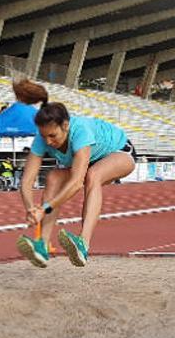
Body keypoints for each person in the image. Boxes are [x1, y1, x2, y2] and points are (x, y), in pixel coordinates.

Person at [13, 79, 136, 268]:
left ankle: (83, 244)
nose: (49, 142)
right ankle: (42, 245)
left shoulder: (80, 131)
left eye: (53, 136)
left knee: (92, 176)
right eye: (44, 137)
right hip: (91, 161)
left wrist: (44, 209)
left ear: (65, 126)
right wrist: (31, 209)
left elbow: (77, 182)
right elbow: (26, 182)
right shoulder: (42, 138)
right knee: (53, 177)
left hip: (120, 152)